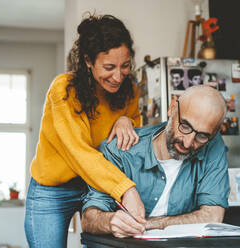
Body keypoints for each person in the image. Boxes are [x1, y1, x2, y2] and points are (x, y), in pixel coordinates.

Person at [24, 14, 146, 248]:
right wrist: (126, 189)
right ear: (88, 61)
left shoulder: (130, 91)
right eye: (109, 67)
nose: (118, 76)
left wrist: (126, 120)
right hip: (52, 191)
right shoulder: (64, 90)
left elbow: (133, 141)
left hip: (98, 188)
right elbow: (78, 153)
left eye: (125, 66)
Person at [81, 85, 230, 238]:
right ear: (172, 108)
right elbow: (88, 219)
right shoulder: (120, 149)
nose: (187, 142)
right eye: (185, 126)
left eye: (202, 136)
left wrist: (146, 224)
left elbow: (213, 216)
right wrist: (109, 221)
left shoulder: (213, 145)